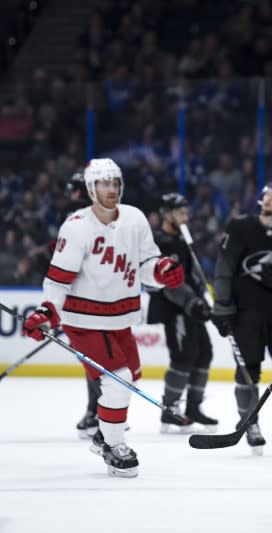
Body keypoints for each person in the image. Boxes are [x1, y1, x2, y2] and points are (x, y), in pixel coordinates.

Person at [22, 158, 184, 477]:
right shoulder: (77, 225)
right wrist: (47, 311)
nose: (111, 189)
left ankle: (103, 432)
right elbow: (57, 279)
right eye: (104, 183)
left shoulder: (135, 219)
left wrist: (161, 271)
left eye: (115, 183)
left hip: (121, 318)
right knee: (118, 381)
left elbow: (146, 263)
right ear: (91, 188)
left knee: (129, 379)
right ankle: (112, 444)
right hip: (83, 320)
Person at [211, 178, 272, 456]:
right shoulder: (240, 227)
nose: (268, 198)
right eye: (266, 193)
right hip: (245, 313)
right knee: (247, 370)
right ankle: (250, 423)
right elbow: (224, 268)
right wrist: (222, 305)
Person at [146, 193, 217, 433]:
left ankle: (194, 408)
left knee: (204, 353)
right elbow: (168, 282)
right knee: (183, 357)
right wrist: (191, 302)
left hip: (192, 307)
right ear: (167, 214)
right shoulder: (159, 242)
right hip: (174, 309)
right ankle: (170, 409)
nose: (186, 217)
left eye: (187, 213)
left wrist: (204, 296)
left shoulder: (184, 237)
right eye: (181, 213)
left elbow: (192, 271)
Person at [58, 171, 104, 439]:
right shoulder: (105, 215)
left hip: (83, 300)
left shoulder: (74, 218)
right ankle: (98, 410)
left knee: (93, 359)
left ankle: (99, 411)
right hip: (103, 296)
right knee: (97, 358)